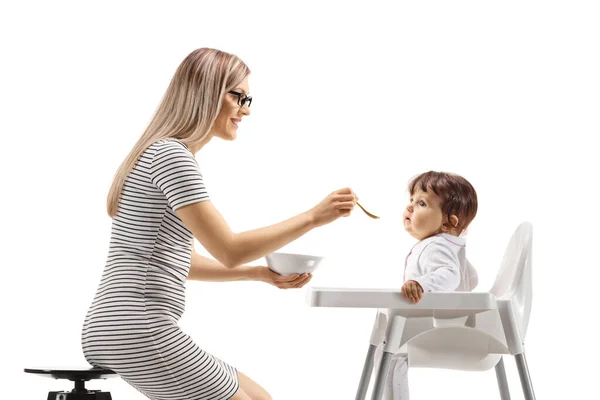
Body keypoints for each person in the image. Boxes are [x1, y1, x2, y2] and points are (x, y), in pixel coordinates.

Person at [80, 47, 358, 400]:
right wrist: (313, 217)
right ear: (206, 93)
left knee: (261, 397)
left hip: (114, 326)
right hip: (139, 326)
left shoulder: (159, 151)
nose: (246, 108)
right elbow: (229, 250)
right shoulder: (171, 156)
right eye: (237, 95)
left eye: (248, 97)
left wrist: (258, 273)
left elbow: (186, 261)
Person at [374, 170, 479, 400]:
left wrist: (420, 283)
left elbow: (450, 275)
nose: (410, 208)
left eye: (421, 203)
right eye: (411, 201)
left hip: (435, 327)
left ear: (448, 222)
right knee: (387, 352)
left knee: (387, 355)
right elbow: (470, 278)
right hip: (443, 325)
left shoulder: (435, 245)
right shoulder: (449, 246)